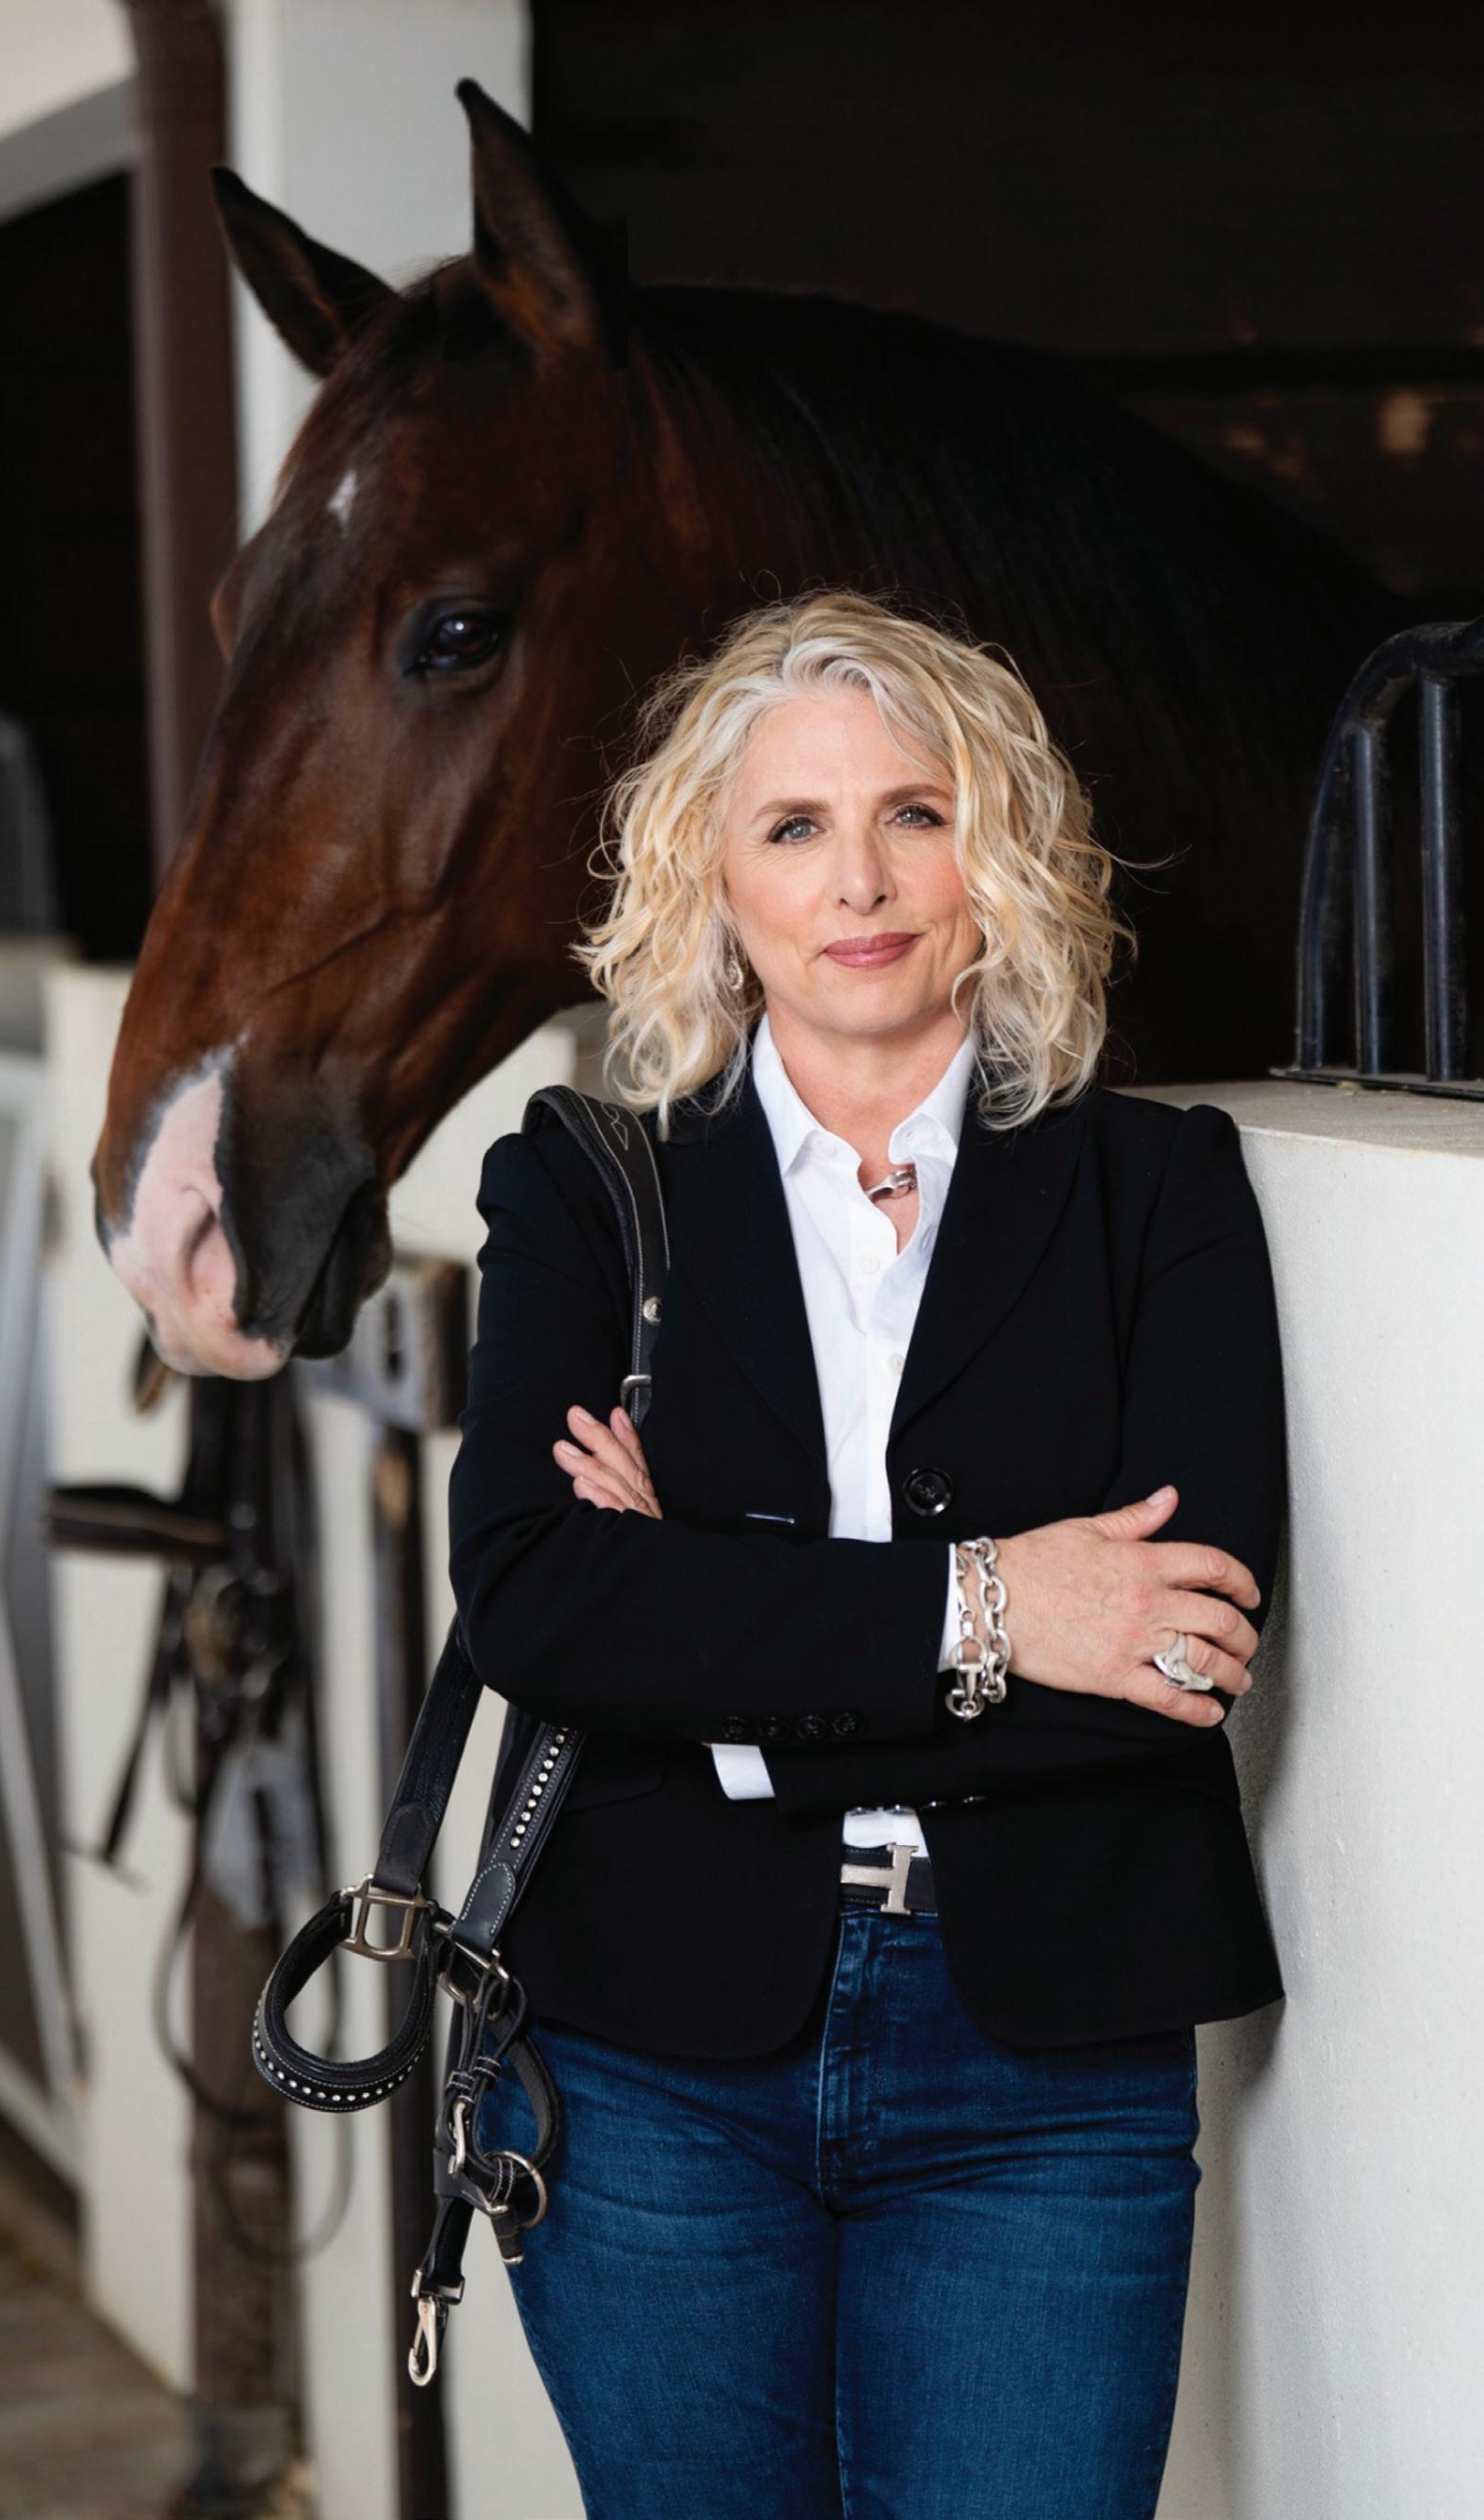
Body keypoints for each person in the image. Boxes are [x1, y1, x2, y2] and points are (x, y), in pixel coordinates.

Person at [449, 587, 1286, 2520]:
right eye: (793, 826)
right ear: (711, 879)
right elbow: (538, 1600)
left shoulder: (1155, 1190)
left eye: (916, 812)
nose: (860, 881)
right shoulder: (584, 1185)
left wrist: (710, 1630)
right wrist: (1001, 1603)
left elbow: (1174, 1657)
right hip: (650, 2052)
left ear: (1000, 853)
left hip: (1044, 2066)